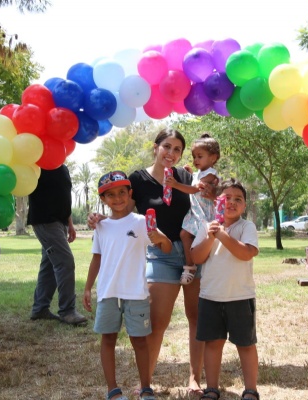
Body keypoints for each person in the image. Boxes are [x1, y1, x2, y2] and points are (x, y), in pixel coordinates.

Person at [88, 129, 213, 394]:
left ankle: (194, 379)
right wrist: (97, 219)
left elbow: (202, 204)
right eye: (167, 146)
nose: (171, 153)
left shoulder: (185, 176)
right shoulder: (138, 179)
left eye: (178, 149)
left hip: (192, 251)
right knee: (156, 322)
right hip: (160, 254)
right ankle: (147, 381)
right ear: (155, 147)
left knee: (196, 317)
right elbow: (120, 208)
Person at [83, 170, 172, 400]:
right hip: (108, 292)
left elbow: (167, 247)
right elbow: (97, 258)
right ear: (103, 199)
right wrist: (87, 287)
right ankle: (113, 390)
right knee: (108, 338)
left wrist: (161, 239)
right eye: (110, 195)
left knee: (139, 341)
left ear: (130, 193)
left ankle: (146, 388)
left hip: (135, 293)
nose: (118, 198)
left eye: (122, 192)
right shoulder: (101, 227)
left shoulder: (142, 222)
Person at [191, 179, 260, 400]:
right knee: (212, 344)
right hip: (210, 296)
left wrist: (222, 234)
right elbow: (197, 257)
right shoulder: (206, 226)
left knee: (246, 344)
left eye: (237, 199)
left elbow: (246, 253)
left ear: (244, 206)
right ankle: (212, 388)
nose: (231, 202)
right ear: (218, 202)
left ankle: (251, 390)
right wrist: (211, 236)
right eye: (226, 198)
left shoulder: (246, 227)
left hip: (240, 296)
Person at [28, 164, 87, 326]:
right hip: (45, 220)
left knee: (49, 265)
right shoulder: (37, 164)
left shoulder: (63, 167)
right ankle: (67, 311)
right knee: (65, 262)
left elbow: (63, 197)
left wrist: (70, 224)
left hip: (60, 222)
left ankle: (40, 309)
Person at [164, 133, 221, 285]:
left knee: (197, 238)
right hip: (195, 212)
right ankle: (190, 265)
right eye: (194, 156)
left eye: (199, 156)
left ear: (213, 158)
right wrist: (190, 173)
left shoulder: (211, 175)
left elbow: (194, 189)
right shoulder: (201, 173)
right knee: (184, 234)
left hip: (204, 213)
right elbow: (195, 181)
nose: (195, 160)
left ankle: (194, 265)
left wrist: (175, 184)